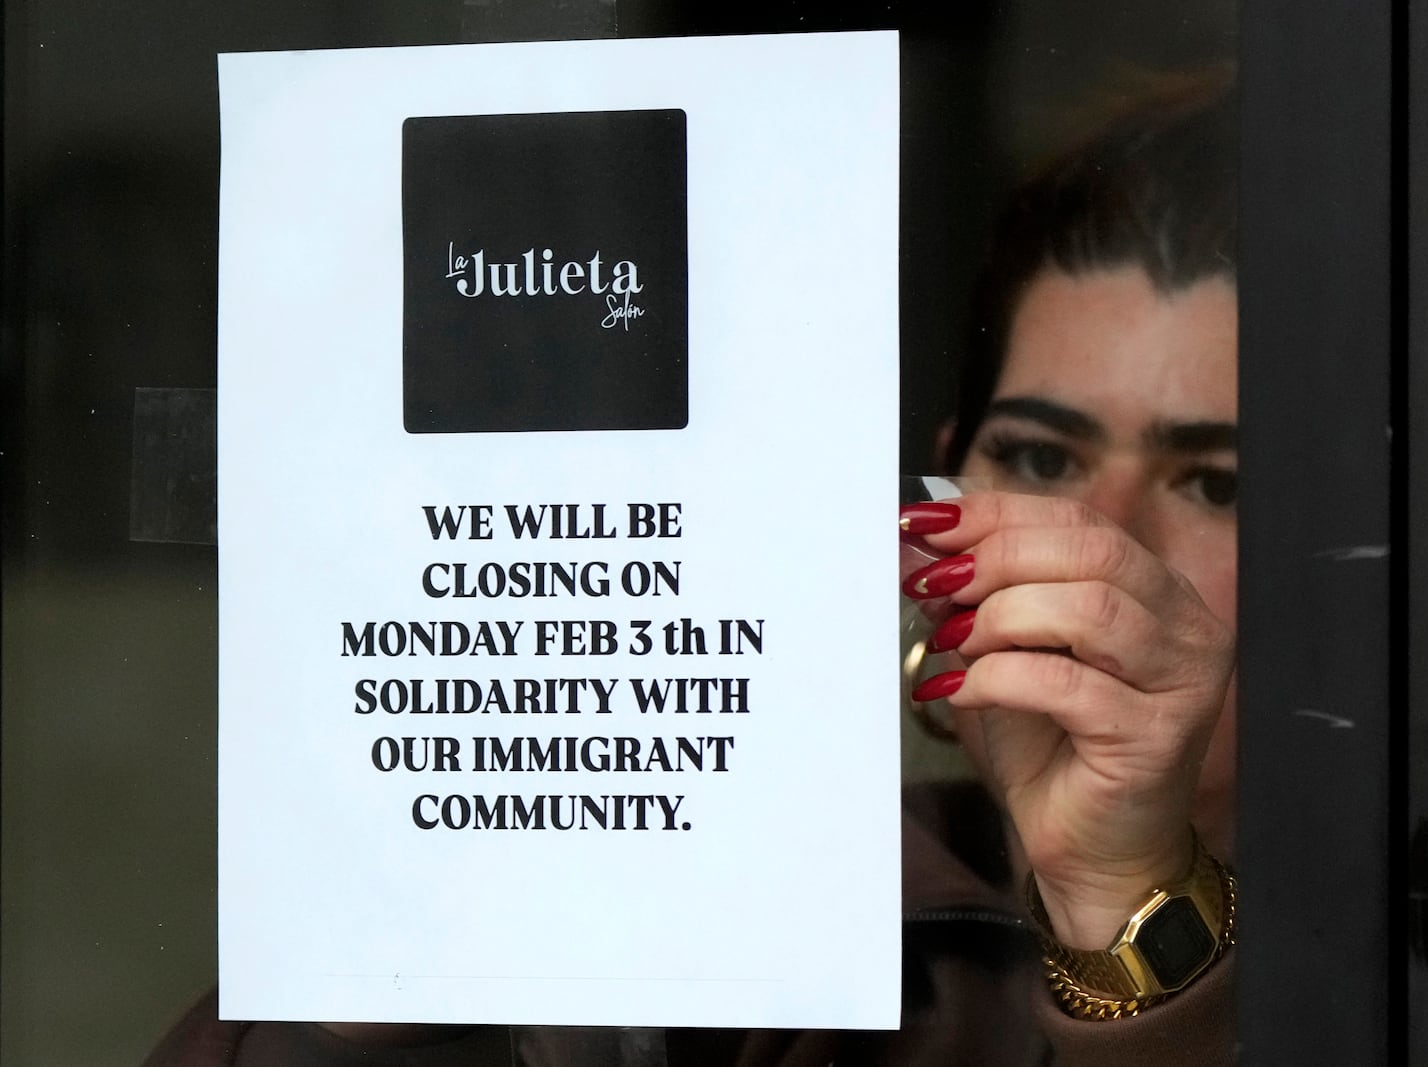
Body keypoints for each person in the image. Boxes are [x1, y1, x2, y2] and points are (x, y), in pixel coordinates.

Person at [145, 70, 1238, 1066]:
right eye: (1040, 456)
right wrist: (373, 1004)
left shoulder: (1409, 943)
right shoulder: (756, 914)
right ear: (937, 502)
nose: (1100, 544)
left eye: (1217, 484)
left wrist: (1122, 905)